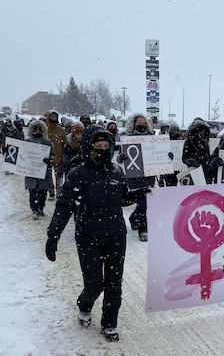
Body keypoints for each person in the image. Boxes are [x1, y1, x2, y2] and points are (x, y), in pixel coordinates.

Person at [45, 125, 150, 342]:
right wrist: (53, 235)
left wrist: (138, 194)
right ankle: (85, 305)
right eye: (97, 146)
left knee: (114, 283)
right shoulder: (78, 174)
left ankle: (109, 323)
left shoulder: (116, 172)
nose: (102, 150)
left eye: (106, 146)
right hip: (88, 236)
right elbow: (64, 206)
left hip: (115, 236)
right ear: (88, 147)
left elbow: (122, 199)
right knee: (94, 284)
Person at [118, 113, 155, 241]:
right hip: (134, 176)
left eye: (143, 123)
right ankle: (142, 228)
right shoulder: (128, 139)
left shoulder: (152, 138)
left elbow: (159, 154)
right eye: (138, 123)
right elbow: (120, 156)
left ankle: (134, 218)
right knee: (141, 201)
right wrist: (121, 157)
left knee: (145, 202)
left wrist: (168, 156)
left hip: (148, 175)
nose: (141, 125)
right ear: (133, 124)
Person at [24, 120, 55, 219]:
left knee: (43, 192)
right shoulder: (27, 142)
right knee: (32, 192)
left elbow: (53, 155)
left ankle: (41, 208)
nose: (37, 132)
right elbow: (22, 155)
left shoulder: (47, 142)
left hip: (44, 172)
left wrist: (49, 160)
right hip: (31, 172)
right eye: (35, 130)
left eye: (39, 130)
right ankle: (34, 210)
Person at [182, 118, 215, 184]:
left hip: (205, 171)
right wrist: (190, 161)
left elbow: (208, 156)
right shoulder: (189, 142)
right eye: (200, 131)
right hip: (194, 171)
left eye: (203, 131)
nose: (202, 133)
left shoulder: (205, 142)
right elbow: (184, 158)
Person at [45, 111, 67, 200]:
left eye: (55, 117)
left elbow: (64, 142)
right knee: (48, 175)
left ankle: (59, 191)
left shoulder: (60, 130)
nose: (53, 118)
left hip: (59, 155)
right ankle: (51, 192)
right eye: (52, 117)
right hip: (47, 156)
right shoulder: (45, 129)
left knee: (59, 174)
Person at [158, 121, 181, 187]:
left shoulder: (180, 141)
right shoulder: (166, 141)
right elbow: (162, 156)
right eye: (174, 130)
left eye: (177, 130)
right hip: (168, 169)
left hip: (177, 168)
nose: (175, 132)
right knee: (170, 184)